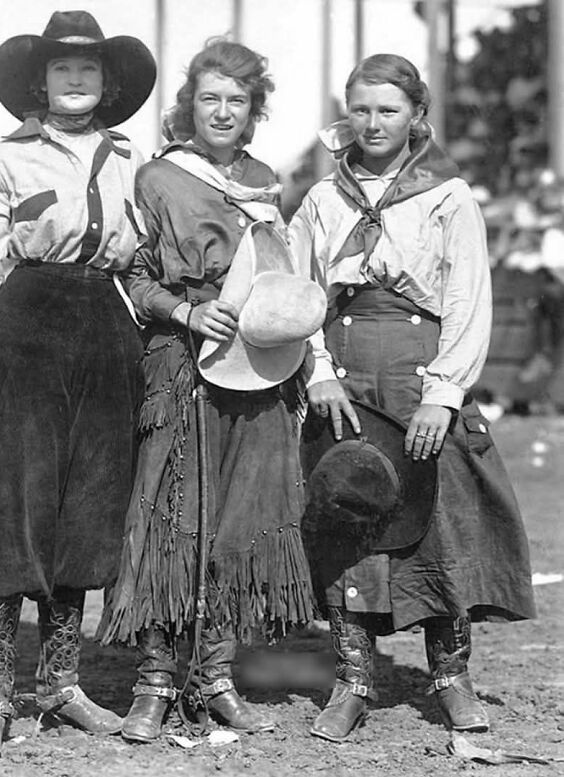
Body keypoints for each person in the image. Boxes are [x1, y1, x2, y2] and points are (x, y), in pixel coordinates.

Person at [288, 54, 536, 743]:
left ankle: (450, 678)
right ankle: (354, 678)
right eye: (362, 109)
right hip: (344, 377)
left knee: (440, 523)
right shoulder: (321, 199)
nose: (373, 122)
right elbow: (299, 293)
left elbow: (466, 300)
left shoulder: (448, 195)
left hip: (420, 376)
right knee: (348, 513)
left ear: (416, 116)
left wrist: (444, 392)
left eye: (389, 110)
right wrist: (318, 372)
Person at [0, 11, 155, 761]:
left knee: (89, 503)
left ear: (110, 81)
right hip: (26, 332)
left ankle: (61, 681)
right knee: (14, 506)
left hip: (105, 335)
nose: (74, 78)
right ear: (38, 79)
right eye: (61, 67)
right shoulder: (6, 160)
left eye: (88, 67)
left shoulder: (132, 159)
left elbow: (147, 266)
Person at [97, 38, 316, 743]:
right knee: (169, 516)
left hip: (257, 368)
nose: (222, 111)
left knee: (238, 517)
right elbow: (133, 278)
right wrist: (187, 311)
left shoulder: (266, 181)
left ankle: (215, 673)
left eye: (237, 100)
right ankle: (156, 680)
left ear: (253, 111)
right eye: (210, 97)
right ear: (189, 103)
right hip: (181, 359)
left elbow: (278, 277)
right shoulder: (158, 178)